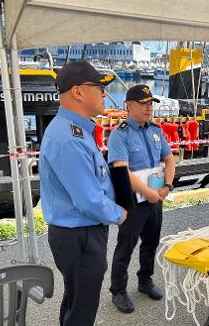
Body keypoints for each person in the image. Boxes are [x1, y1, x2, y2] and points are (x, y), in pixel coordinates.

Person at [39, 60, 127, 326]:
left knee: (75, 300)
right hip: (80, 235)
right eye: (99, 87)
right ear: (78, 92)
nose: (103, 93)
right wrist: (120, 213)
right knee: (82, 310)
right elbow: (88, 199)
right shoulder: (69, 138)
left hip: (79, 234)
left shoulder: (76, 130)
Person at [107, 84, 176, 313]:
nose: (149, 108)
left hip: (156, 198)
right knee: (125, 246)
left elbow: (169, 159)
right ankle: (118, 290)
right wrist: (150, 194)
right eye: (143, 103)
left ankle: (145, 280)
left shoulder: (156, 130)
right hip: (134, 201)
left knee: (151, 242)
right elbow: (121, 170)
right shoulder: (120, 134)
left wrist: (167, 186)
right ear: (129, 105)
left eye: (150, 104)